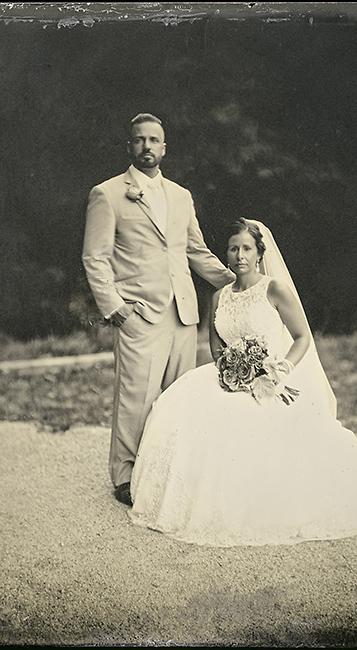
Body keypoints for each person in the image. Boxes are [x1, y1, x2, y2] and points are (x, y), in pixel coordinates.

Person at [128, 218, 357, 547]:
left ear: (259, 253)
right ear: (225, 254)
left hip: (270, 378)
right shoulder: (219, 296)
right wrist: (231, 366)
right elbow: (215, 345)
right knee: (184, 416)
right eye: (233, 248)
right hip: (227, 376)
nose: (240, 255)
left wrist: (278, 370)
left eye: (247, 248)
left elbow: (301, 337)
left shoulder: (274, 289)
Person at [82, 113, 235, 507]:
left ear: (165, 148)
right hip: (138, 314)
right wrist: (115, 307)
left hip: (183, 314)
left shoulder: (181, 196)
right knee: (135, 397)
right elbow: (95, 257)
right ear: (129, 146)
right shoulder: (109, 193)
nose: (147, 147)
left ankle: (168, 470)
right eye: (139, 140)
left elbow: (195, 252)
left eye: (154, 140)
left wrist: (238, 284)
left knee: (177, 397)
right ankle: (125, 477)